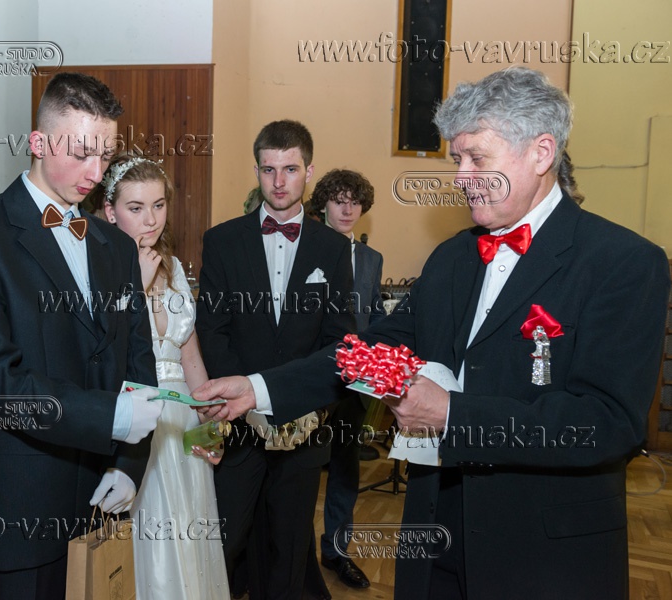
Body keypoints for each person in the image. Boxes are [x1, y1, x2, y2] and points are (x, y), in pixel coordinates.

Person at [193, 67, 671, 600]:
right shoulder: (451, 258)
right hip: (435, 537)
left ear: (541, 153)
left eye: (477, 159)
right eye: (456, 161)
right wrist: (259, 388)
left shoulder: (624, 263)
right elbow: (370, 351)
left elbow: (607, 423)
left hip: (542, 554)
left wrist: (451, 415)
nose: (461, 177)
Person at [0, 72, 162, 599]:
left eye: (106, 156)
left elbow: (139, 361)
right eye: (82, 153)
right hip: (20, 508)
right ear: (38, 143)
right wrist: (110, 418)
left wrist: (130, 464)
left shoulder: (116, 245)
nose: (96, 173)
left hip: (101, 501)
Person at [195, 119, 355, 600]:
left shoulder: (334, 247)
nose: (279, 181)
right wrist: (246, 401)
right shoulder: (221, 240)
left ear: (309, 171)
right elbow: (213, 330)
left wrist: (309, 408)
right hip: (237, 426)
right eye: (269, 170)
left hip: (304, 428)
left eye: (290, 169)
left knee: (288, 552)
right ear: (257, 171)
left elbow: (339, 339)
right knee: (224, 543)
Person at [96, 154, 230, 599]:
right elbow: (105, 355)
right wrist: (133, 283)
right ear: (110, 210)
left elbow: (190, 357)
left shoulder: (172, 268)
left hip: (182, 424)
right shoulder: (98, 268)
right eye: (135, 208)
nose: (150, 220)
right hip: (136, 422)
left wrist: (209, 424)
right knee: (146, 539)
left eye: (158, 205)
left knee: (190, 537)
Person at [307, 168, 385, 591]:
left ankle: (336, 551)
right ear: (323, 204)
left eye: (354, 202)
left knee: (345, 470)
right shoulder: (307, 247)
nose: (347, 209)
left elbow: (374, 315)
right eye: (339, 200)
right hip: (315, 378)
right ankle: (294, 554)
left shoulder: (372, 259)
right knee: (301, 470)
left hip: (356, 384)